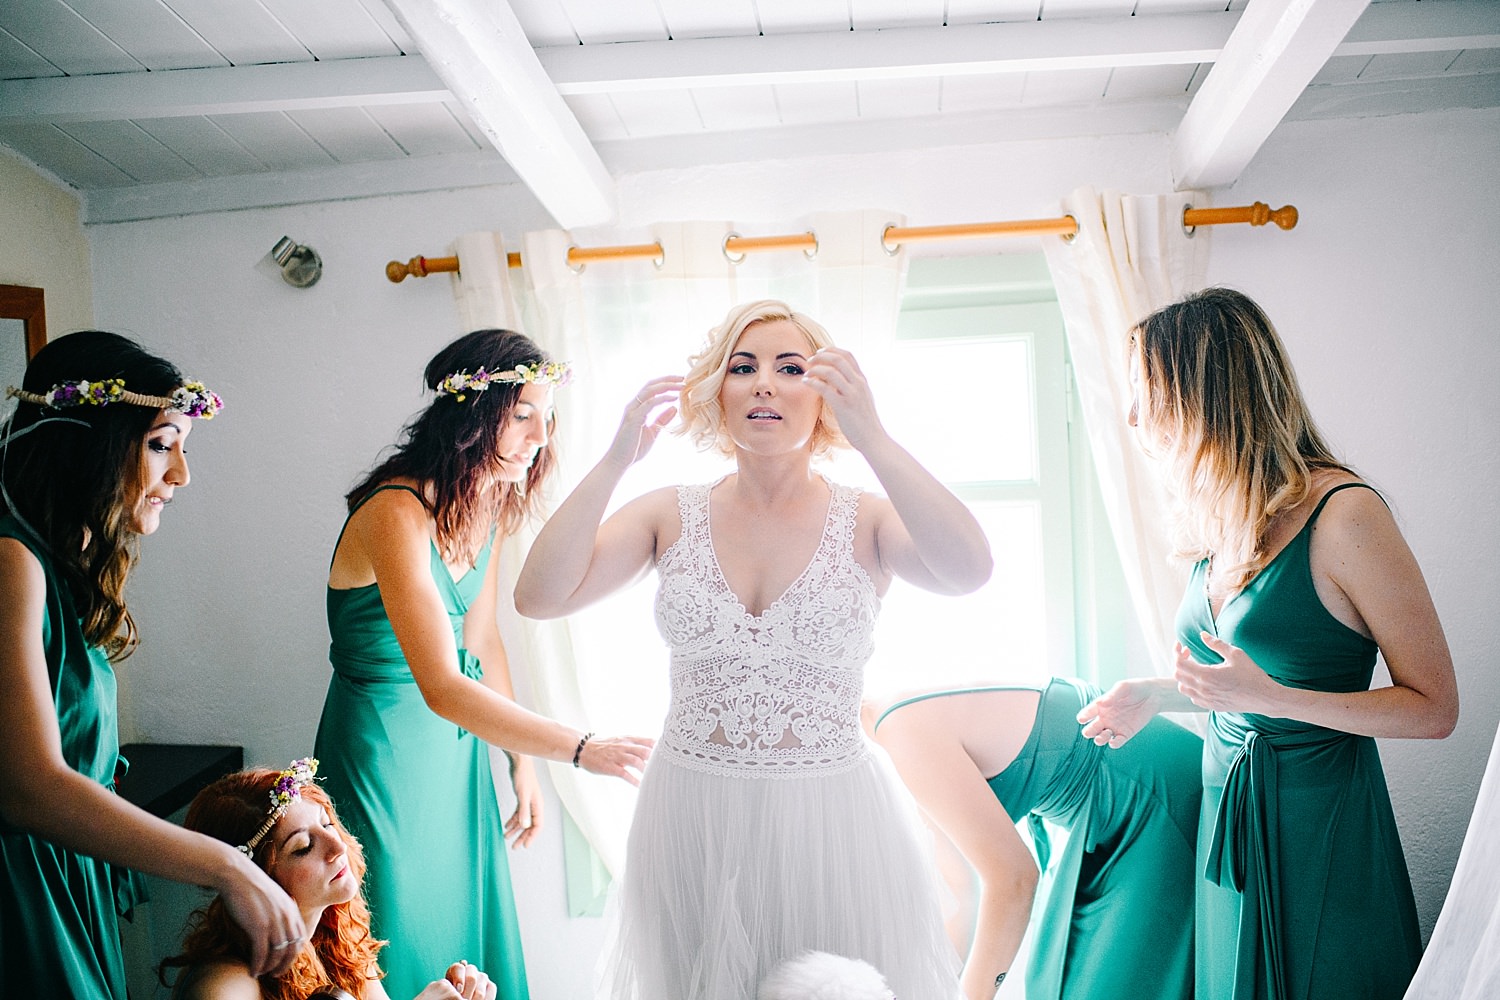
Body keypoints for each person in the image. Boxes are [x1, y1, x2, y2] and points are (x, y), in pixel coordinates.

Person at [514, 299, 993, 999]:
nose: (763, 382)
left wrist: (878, 440)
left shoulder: (867, 519)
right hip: (694, 815)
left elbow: (969, 571)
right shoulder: (666, 513)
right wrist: (618, 459)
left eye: (790, 367)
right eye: (743, 367)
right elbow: (539, 596)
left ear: (825, 394)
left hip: (834, 818)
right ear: (718, 393)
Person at [1076, 287, 1459, 1000]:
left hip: (1318, 826)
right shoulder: (1217, 522)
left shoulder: (1346, 515)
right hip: (1230, 814)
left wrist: (1273, 698)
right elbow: (1238, 683)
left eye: (1145, 391)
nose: (1131, 416)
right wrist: (1152, 696)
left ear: (1207, 388)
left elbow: (1435, 709)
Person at [312, 328, 653, 1000]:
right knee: (392, 924)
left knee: (464, 921)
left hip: (457, 754)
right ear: (473, 414)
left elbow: (481, 639)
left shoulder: (487, 504)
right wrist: (578, 748)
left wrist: (519, 761)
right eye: (523, 415)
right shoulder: (393, 512)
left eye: (546, 418)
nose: (538, 437)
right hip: (382, 751)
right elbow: (440, 683)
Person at [0, 331, 304, 998]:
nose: (181, 476)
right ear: (91, 441)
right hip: (20, 895)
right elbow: (28, 785)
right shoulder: (10, 561)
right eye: (161, 445)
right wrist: (228, 866)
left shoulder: (58, 562)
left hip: (65, 873)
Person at [868, 679, 1201, 1000]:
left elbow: (1014, 881)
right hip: (1101, 811)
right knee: (1052, 981)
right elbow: (960, 889)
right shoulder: (886, 736)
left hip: (1144, 792)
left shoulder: (898, 733)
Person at [161, 759, 498, 1000]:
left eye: (326, 825)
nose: (337, 845)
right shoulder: (226, 988)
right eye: (303, 847)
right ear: (257, 880)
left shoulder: (335, 931)